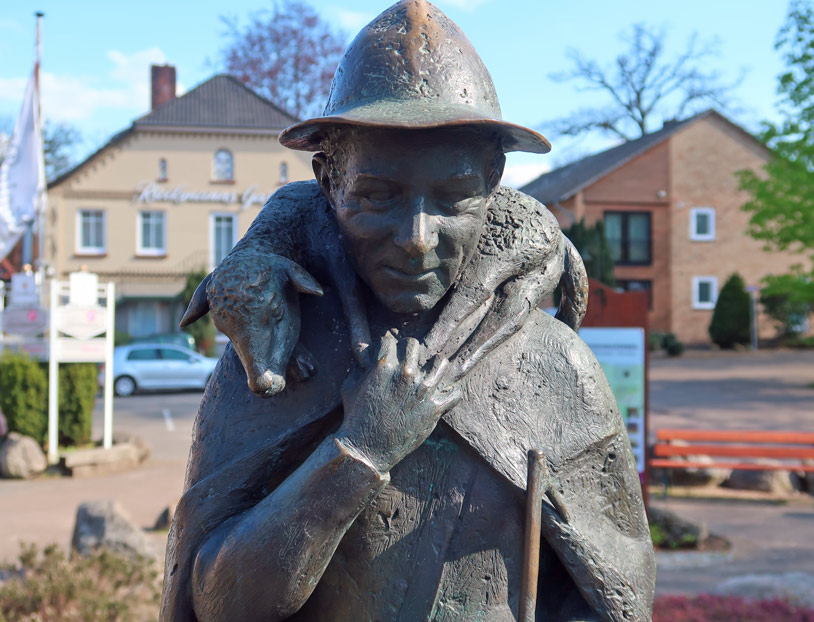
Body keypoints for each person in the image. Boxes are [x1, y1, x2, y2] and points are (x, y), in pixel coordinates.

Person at [160, 2, 655, 621]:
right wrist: (361, 450)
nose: (417, 237)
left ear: (494, 180)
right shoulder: (272, 354)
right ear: (328, 181)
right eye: (377, 197)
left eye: (451, 199)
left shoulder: (553, 364)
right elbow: (218, 603)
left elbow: (615, 594)